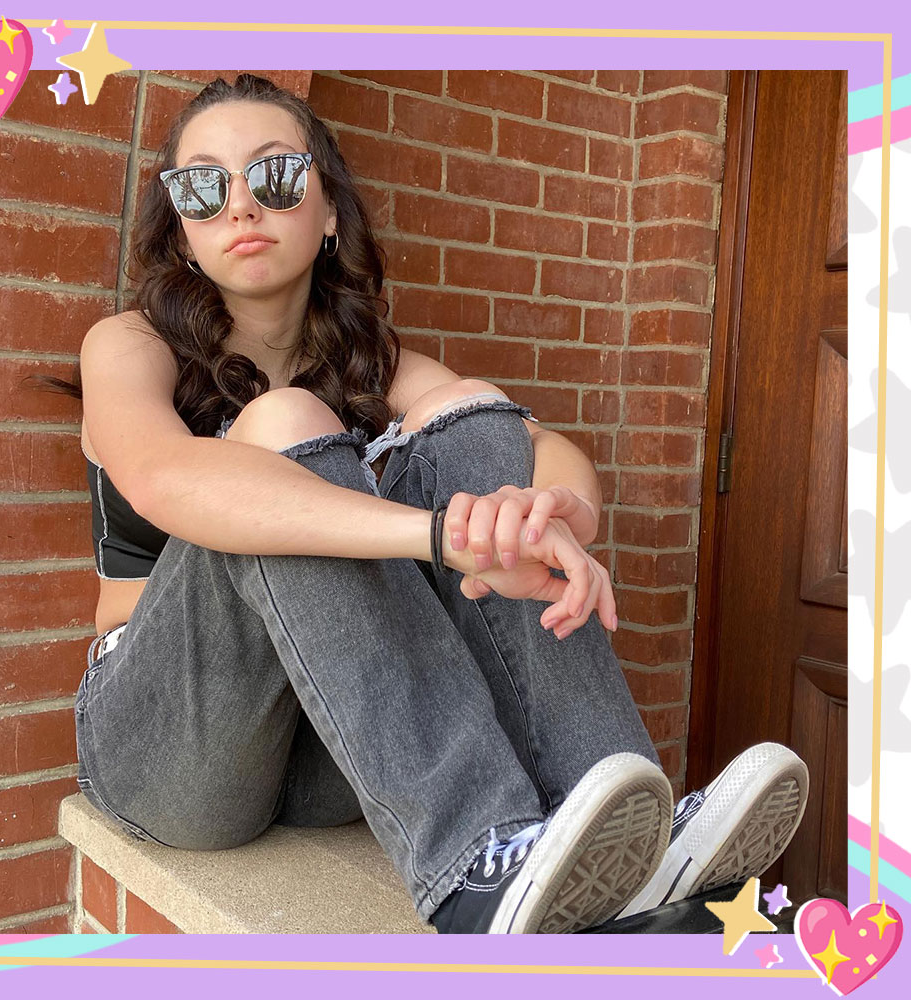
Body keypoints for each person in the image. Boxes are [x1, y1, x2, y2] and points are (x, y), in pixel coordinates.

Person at [52, 73, 809, 934]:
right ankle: (474, 869)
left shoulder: (375, 364)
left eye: (274, 177)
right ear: (182, 229)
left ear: (329, 208)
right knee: (284, 423)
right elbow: (163, 477)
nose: (240, 207)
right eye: (202, 187)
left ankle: (626, 848)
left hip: (331, 740)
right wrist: (433, 534)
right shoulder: (129, 346)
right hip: (169, 747)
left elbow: (532, 443)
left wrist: (554, 517)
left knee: (468, 412)